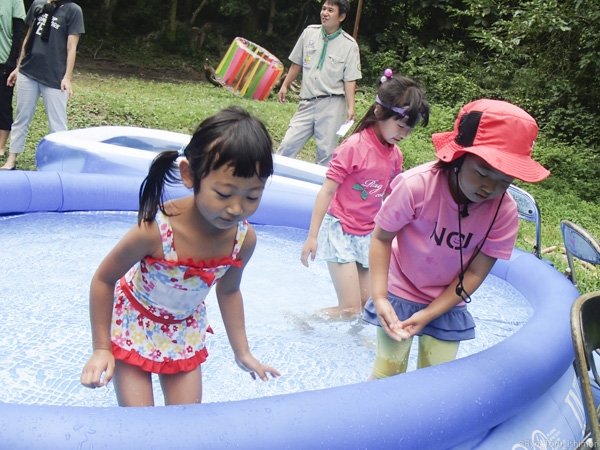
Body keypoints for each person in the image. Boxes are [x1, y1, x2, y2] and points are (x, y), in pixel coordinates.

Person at [80, 107, 281, 407]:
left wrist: (243, 353)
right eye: (224, 194)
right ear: (189, 175)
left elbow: (229, 291)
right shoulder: (156, 230)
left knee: (186, 424)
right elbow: (103, 279)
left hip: (182, 334)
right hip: (134, 325)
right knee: (142, 426)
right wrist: (101, 348)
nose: (237, 208)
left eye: (252, 196)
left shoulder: (242, 240)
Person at [363, 99, 550, 379]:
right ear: (457, 158)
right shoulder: (416, 186)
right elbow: (381, 238)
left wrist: (429, 314)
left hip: (449, 300)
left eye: (505, 181)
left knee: (436, 379)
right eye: (482, 173)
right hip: (399, 292)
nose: (490, 187)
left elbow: (475, 272)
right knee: (387, 371)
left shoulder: (504, 211)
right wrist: (379, 297)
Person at [300, 71, 429, 319]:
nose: (403, 134)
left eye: (409, 130)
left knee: (367, 305)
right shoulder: (354, 147)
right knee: (349, 309)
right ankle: (303, 322)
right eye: (400, 126)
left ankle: (357, 343)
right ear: (380, 113)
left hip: (367, 234)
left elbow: (392, 198)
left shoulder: (395, 155)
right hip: (340, 229)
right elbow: (327, 191)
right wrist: (312, 236)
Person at [276, 0, 361, 167]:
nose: (325, 13)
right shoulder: (309, 33)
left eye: (331, 10)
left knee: (325, 155)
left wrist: (351, 107)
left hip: (332, 104)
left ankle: (318, 192)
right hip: (307, 101)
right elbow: (297, 63)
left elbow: (350, 79)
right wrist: (285, 84)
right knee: (287, 145)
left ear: (341, 16)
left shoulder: (349, 45)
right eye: (323, 9)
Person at [1, 0, 84, 171]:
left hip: (54, 77)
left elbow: (71, 46)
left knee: (57, 125)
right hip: (29, 71)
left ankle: (59, 165)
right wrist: (18, 66)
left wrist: (67, 77)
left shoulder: (73, 10)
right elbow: (29, 36)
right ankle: (11, 159)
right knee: (21, 118)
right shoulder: (38, 5)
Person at [0, 0, 26, 159]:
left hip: (3, 61)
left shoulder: (14, 1)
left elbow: (18, 33)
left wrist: (12, 62)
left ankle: (1, 146)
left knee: (3, 103)